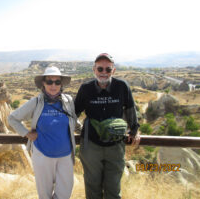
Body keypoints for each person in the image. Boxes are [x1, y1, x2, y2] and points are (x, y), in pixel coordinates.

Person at [8, 66, 81, 199]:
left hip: (65, 155)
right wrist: (26, 133)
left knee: (64, 194)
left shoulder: (68, 101)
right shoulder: (36, 102)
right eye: (49, 82)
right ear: (43, 83)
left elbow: (73, 121)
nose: (53, 85)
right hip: (42, 155)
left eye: (57, 82)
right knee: (45, 195)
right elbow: (12, 118)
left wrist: (85, 129)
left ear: (61, 84)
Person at [74, 53, 140, 199]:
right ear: (94, 70)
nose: (104, 73)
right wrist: (79, 129)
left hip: (115, 145)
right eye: (100, 69)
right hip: (91, 146)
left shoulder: (122, 86)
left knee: (114, 188)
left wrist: (134, 131)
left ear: (113, 71)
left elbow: (130, 109)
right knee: (92, 188)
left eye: (108, 69)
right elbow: (73, 113)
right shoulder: (86, 88)